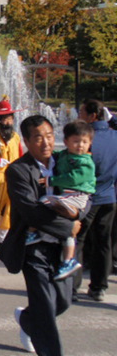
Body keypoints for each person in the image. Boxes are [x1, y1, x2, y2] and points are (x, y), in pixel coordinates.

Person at [0, 115, 86, 355]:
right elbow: (31, 211)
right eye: (38, 138)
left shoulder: (65, 162)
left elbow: (86, 190)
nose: (46, 143)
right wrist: (68, 226)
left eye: (49, 136)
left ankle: (27, 320)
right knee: (46, 308)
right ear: (26, 141)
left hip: (61, 246)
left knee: (63, 301)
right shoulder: (18, 170)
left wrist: (78, 213)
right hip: (32, 247)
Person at [30, 120, 95, 281]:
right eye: (76, 141)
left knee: (46, 201)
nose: (80, 145)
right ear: (66, 142)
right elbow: (57, 156)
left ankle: (38, 232)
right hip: (68, 195)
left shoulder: (86, 162)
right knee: (67, 232)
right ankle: (68, 259)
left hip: (78, 196)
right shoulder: (66, 155)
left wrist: (52, 180)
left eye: (85, 142)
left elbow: (73, 179)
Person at [73, 99, 117, 302]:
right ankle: (99, 287)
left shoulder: (88, 139)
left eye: (81, 111)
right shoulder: (114, 136)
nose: (79, 114)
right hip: (109, 196)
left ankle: (72, 286)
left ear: (92, 116)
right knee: (104, 242)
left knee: (78, 241)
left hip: (89, 197)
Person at [0, 97, 23, 245]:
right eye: (3, 119)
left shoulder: (15, 136)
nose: (7, 122)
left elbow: (20, 155)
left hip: (12, 178)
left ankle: (3, 241)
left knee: (9, 210)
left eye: (9, 119)